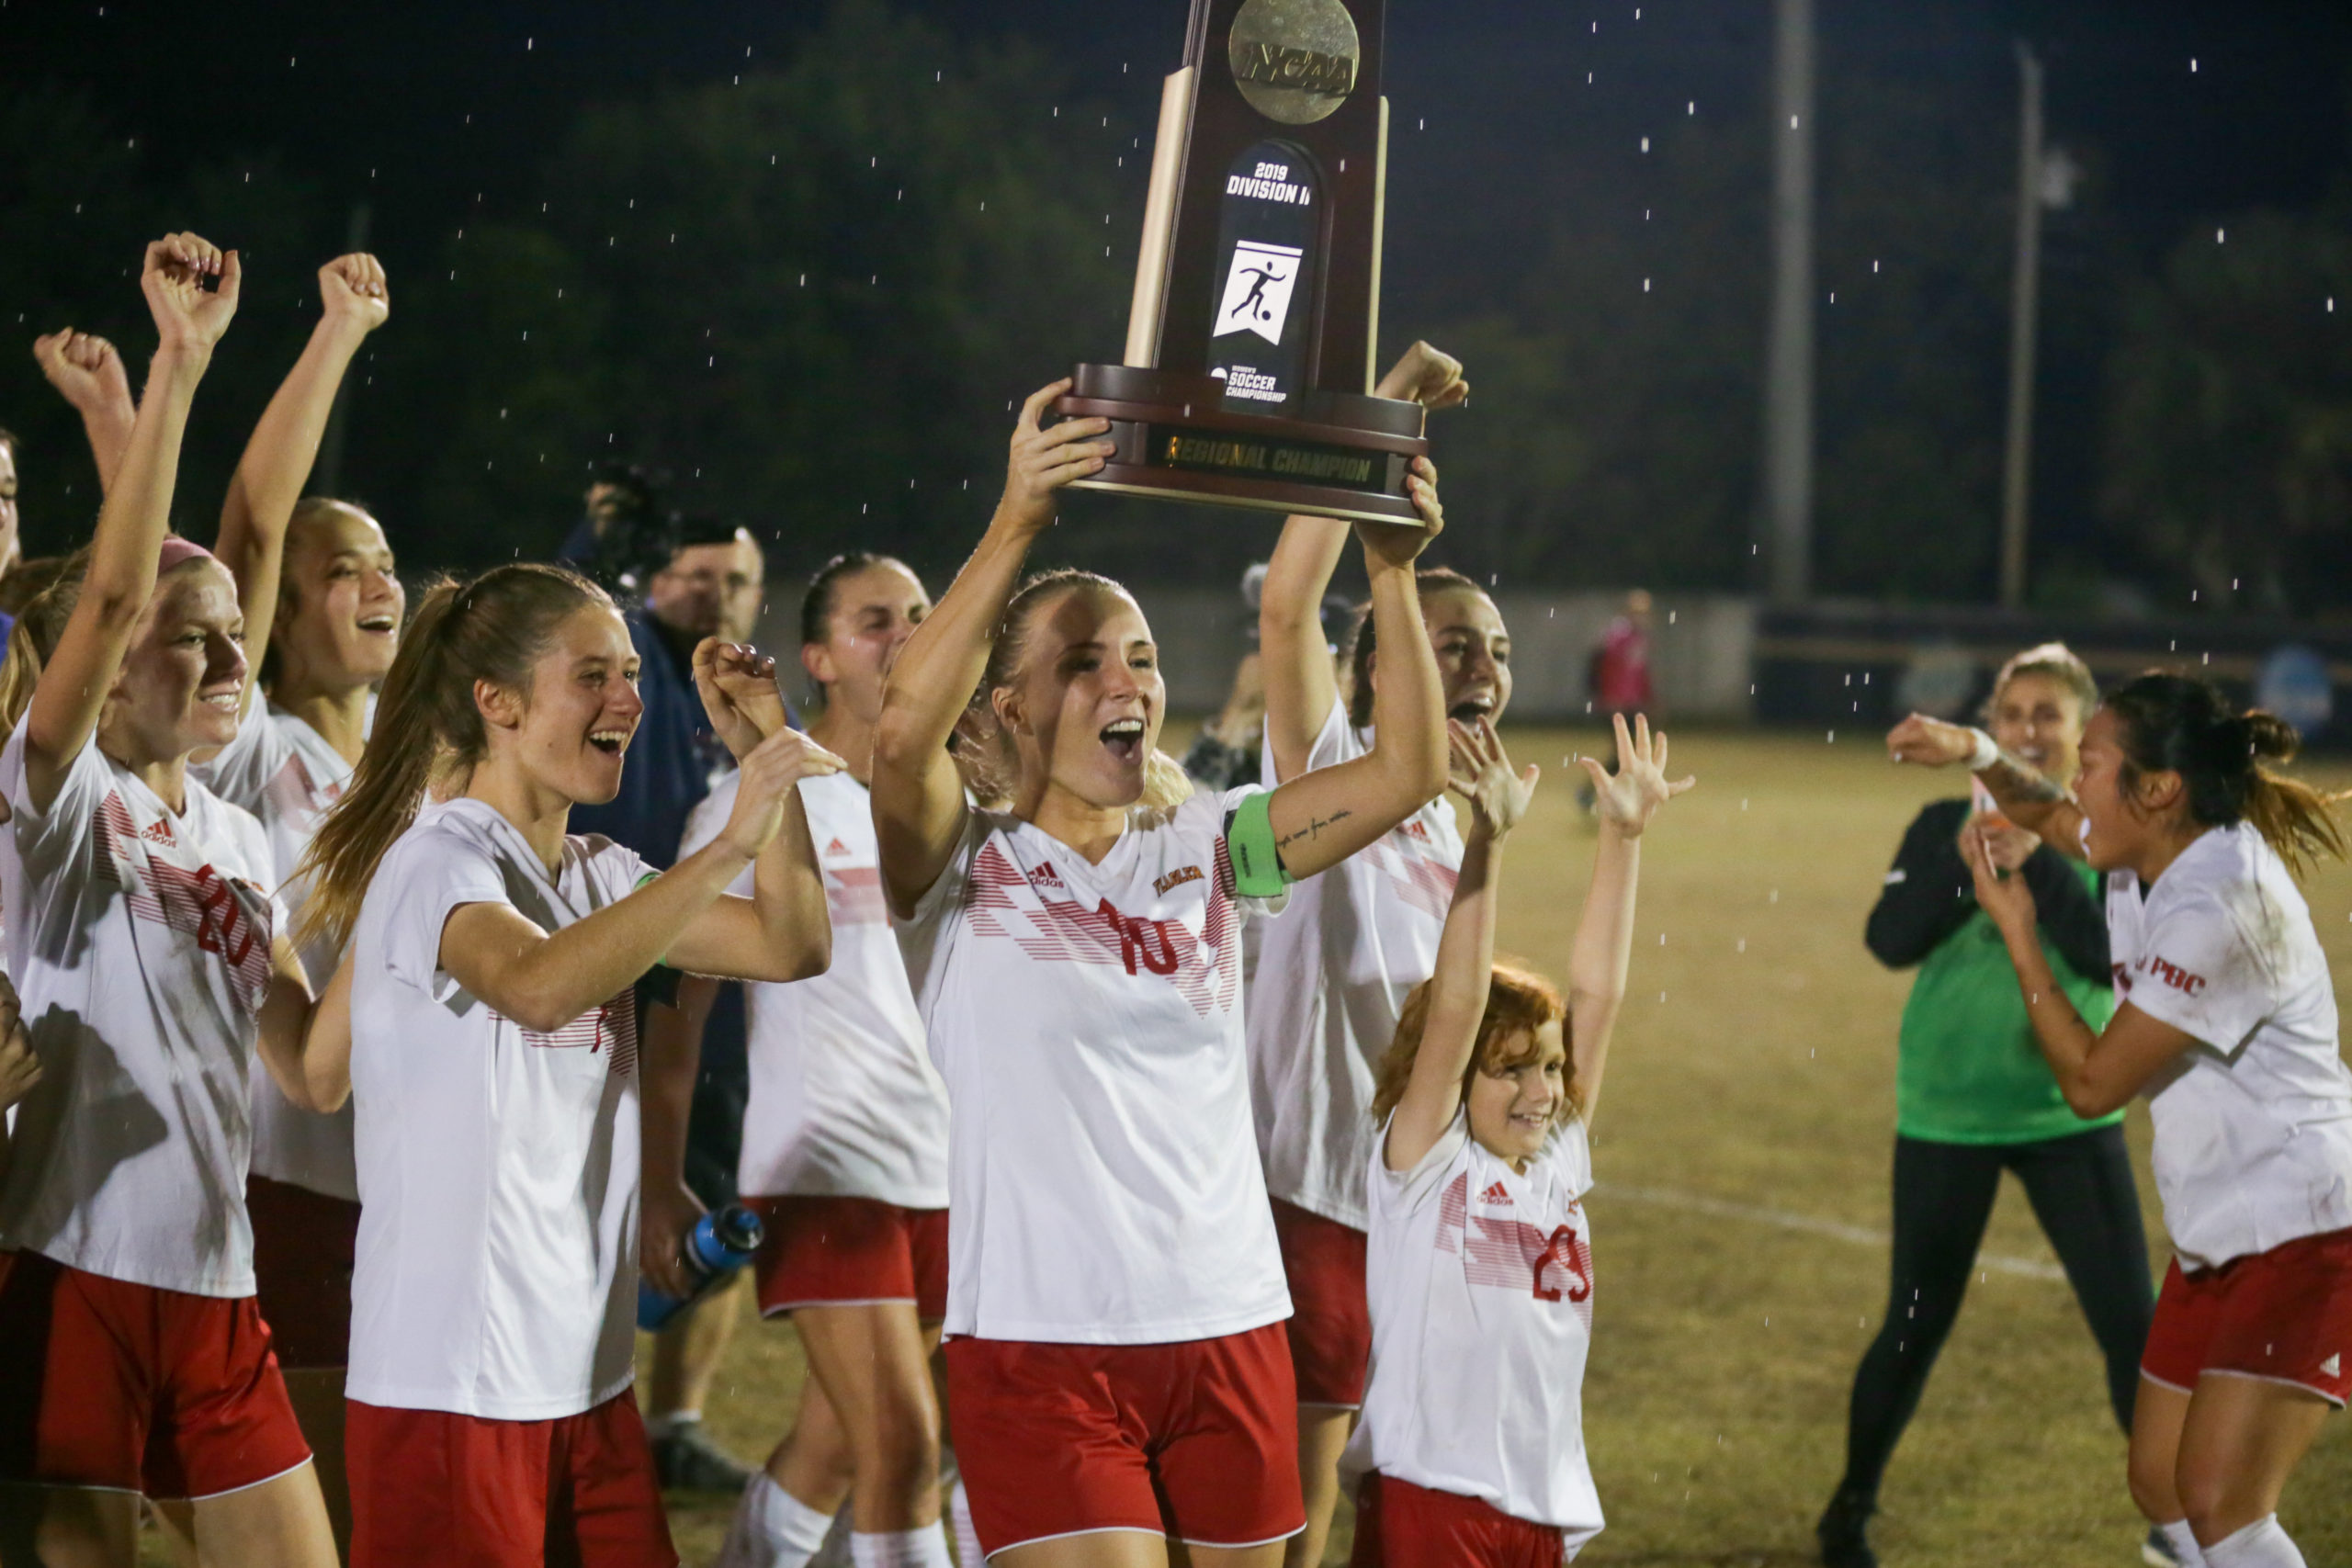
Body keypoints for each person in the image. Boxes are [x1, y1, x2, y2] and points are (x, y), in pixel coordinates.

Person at [870, 380, 1450, 1567]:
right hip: (1041, 1341)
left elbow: (1402, 773)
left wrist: (1391, 569)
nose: (1128, 681)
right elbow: (896, 737)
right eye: (1084, 663)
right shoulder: (961, 871)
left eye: (1141, 655)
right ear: (1013, 705)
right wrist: (1020, 516)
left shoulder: (1212, 844)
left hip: (1230, 1323)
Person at [294, 561, 842, 1567]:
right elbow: (537, 985)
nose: (629, 699)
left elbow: (791, 944)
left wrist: (765, 756)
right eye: (592, 676)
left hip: (582, 1383)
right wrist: (726, 845)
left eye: (631, 673)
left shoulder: (597, 873)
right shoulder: (435, 861)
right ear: (495, 703)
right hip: (452, 1386)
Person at [0, 233, 351, 1568]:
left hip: (219, 1283)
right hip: (70, 1272)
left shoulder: (240, 836)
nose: (223, 653)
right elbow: (111, 584)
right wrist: (175, 369)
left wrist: (418, 900)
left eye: (232, 633)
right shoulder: (58, 799)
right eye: (184, 630)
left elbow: (309, 1070)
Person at [1890, 673, 2352, 1568]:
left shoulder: (2221, 904)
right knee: (2162, 1485)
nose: (2074, 781)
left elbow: (2095, 1086)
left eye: (2093, 764)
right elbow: (2054, 817)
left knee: (2221, 1506)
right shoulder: (2148, 850)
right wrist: (1976, 754)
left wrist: (2019, 932)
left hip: (2305, 1226)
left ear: (2157, 789)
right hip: (2224, 1228)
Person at [1819, 645, 2161, 1568]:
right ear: (1989, 726)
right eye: (2012, 714)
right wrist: (1964, 862)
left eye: (2049, 715)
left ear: (2084, 732)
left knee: (2134, 1330)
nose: (2027, 731)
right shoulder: (1940, 822)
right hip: (1948, 1113)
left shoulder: (2109, 841)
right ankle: (1847, 1511)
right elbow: (1887, 941)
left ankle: (2179, 1524)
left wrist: (2039, 864)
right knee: (1914, 1325)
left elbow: (2106, 959)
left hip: (2068, 1115)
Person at [669, 552, 958, 1568]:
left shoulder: (965, 803)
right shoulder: (755, 803)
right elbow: (677, 1016)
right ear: (819, 658)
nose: (910, 635)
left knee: (840, 1445)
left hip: (950, 1166)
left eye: (922, 614)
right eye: (877, 620)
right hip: (825, 1164)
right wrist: (665, 1178)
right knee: (903, 1443)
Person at [1345, 714, 1688, 1566]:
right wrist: (1487, 842)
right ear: (1457, 1077)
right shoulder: (1428, 1162)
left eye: (1548, 1067)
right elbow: (1457, 1007)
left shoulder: (1555, 1163)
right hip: (1431, 1498)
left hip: (1543, 1511)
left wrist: (1622, 836)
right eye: (1509, 1071)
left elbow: (1597, 996)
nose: (1542, 1092)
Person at [1247, 340, 1484, 1566]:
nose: (1480, 668)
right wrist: (1377, 417)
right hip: (1300, 1197)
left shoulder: (1460, 828)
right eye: (1451, 645)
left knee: (1345, 1493)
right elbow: (1288, 602)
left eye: (1492, 648)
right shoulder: (1328, 780)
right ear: (1373, 667)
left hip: (1399, 1212)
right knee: (1277, 1508)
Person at [188, 250, 392, 1553]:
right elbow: (252, 524)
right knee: (334, 1501)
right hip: (299, 1173)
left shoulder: (415, 761)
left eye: (384, 559)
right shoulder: (254, 745)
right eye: (341, 568)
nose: (376, 581)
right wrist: (337, 337)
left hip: (410, 1172)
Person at [570, 513, 777, 1491]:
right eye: (692, 577)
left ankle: (676, 1419)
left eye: (732, 580)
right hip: (613, 969)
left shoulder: (736, 697)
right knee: (606, 1211)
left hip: (719, 991)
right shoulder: (636, 672)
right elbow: (560, 622)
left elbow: (796, 932)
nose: (714, 595)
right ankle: (588, 1396)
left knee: (716, 1218)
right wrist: (591, 539)